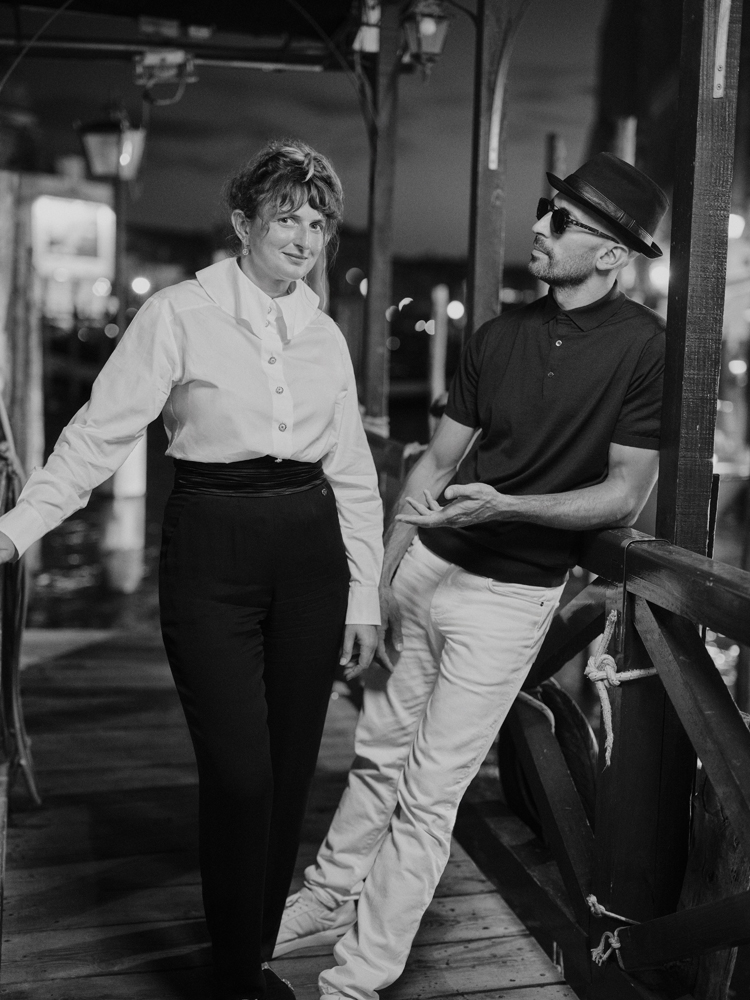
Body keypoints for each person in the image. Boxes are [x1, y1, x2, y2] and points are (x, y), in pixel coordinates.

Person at [273, 152, 670, 1000]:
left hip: (509, 598)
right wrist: (376, 580)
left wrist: (507, 510)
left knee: (428, 794)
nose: (539, 226)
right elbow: (430, 465)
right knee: (377, 754)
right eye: (543, 208)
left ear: (610, 255)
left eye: (561, 221)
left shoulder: (646, 346)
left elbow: (627, 493)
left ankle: (355, 980)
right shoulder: (497, 335)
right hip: (427, 570)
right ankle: (325, 896)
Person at [0, 139, 383, 1000]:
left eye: (318, 222)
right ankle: (231, 968)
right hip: (212, 544)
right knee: (240, 772)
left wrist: (365, 595)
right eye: (287, 217)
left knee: (289, 773)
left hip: (312, 554)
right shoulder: (178, 312)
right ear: (243, 223)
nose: (305, 236)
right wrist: (17, 530)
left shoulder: (323, 332)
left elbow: (354, 471)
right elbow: (101, 433)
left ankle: (242, 966)